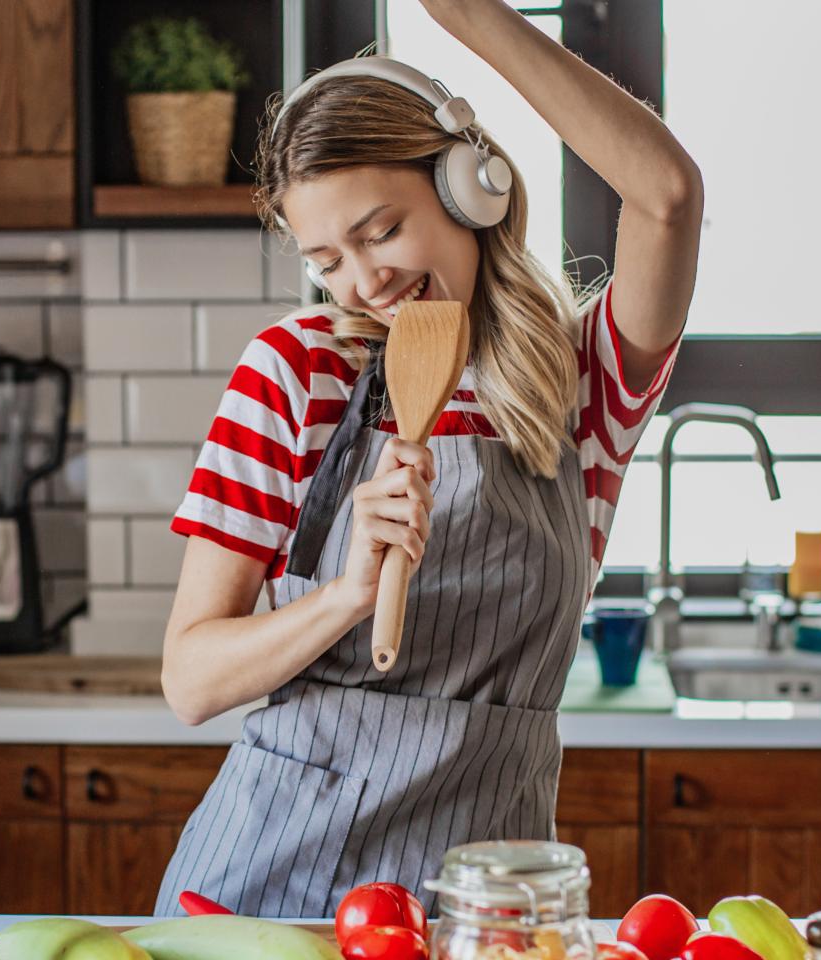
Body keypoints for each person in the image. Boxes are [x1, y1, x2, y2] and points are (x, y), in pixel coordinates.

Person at [153, 0, 702, 918]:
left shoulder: (578, 383)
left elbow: (666, 196)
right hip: (266, 892)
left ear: (469, 188)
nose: (364, 281)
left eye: (380, 231)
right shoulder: (295, 372)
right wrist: (344, 596)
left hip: (483, 902)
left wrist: (469, 17)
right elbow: (190, 680)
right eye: (327, 257)